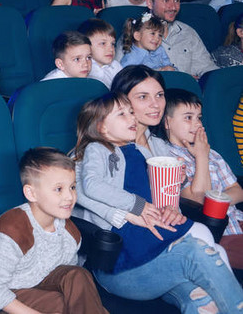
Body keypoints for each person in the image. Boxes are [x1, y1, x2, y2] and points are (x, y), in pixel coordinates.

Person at [72, 93, 240, 311]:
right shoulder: (98, 149)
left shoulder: (141, 151)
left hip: (157, 252)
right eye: (122, 114)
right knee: (197, 252)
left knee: (201, 301)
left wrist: (174, 189)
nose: (132, 118)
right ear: (102, 128)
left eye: (131, 112)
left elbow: (158, 197)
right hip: (122, 261)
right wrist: (137, 206)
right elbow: (90, 186)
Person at [0, 148, 107, 314]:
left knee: (78, 275)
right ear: (31, 193)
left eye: (72, 187)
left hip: (45, 285)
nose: (70, 197)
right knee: (64, 306)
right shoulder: (11, 231)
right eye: (58, 189)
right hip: (11, 296)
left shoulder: (70, 232)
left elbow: (70, 282)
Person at [159, 89, 243, 268]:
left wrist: (215, 201)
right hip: (218, 234)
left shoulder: (211, 153)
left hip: (238, 222)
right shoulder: (167, 157)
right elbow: (197, 199)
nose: (197, 124)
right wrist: (201, 157)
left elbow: (237, 191)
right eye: (188, 117)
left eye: (199, 117)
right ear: (167, 122)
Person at [141, 0, 217, 78]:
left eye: (177, 0)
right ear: (150, 3)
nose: (173, 7)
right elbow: (125, 75)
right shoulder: (135, 33)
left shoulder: (187, 32)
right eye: (166, 1)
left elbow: (207, 68)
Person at [109, 65, 172, 158]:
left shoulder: (159, 145)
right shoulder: (106, 148)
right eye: (143, 97)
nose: (155, 104)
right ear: (121, 101)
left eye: (159, 95)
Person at [78, 18, 122, 88]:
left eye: (112, 44)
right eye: (103, 43)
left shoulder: (116, 66)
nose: (110, 49)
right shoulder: (84, 67)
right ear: (86, 45)